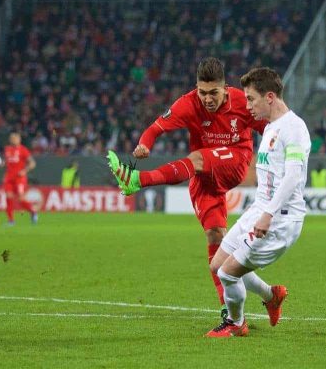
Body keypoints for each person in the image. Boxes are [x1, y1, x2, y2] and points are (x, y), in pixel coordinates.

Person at [107, 57, 268, 310]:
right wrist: (144, 145)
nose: (207, 99)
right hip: (204, 176)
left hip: (235, 160)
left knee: (196, 158)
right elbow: (155, 128)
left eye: (213, 93)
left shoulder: (241, 102)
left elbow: (269, 127)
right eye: (202, 93)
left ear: (225, 89)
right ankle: (253, 302)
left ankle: (138, 180)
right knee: (216, 241)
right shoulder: (188, 102)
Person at [206, 67, 311, 338]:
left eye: (251, 99)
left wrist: (269, 214)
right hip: (259, 210)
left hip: (280, 218)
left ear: (270, 97)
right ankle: (271, 296)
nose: (247, 105)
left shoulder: (294, 128)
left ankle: (235, 323)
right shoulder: (270, 128)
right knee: (217, 266)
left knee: (229, 274)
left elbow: (293, 175)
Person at [3, 132, 38, 225]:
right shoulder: (7, 149)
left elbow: (32, 163)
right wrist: (2, 164)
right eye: (12, 138)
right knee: (8, 198)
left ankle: (33, 212)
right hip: (9, 178)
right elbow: (6, 162)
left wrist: (24, 171)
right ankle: (11, 220)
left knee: (21, 199)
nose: (13, 140)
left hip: (19, 178)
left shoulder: (23, 150)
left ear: (19, 140)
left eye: (15, 138)